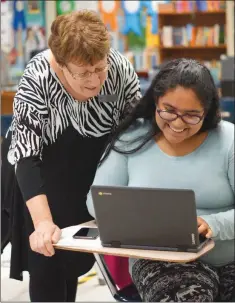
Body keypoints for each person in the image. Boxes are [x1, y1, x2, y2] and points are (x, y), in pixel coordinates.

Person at [1, 10, 141, 302]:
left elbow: (136, 134)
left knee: (73, 262)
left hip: (92, 170)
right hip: (43, 174)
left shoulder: (119, 69)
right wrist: (42, 223)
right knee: (47, 260)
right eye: (83, 73)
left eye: (99, 69)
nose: (94, 81)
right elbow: (26, 156)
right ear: (61, 65)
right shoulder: (38, 75)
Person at [86, 58, 235, 302]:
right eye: (168, 110)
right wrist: (147, 214)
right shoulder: (131, 138)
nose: (177, 123)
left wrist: (213, 224)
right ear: (155, 101)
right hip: (160, 260)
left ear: (207, 112)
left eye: (191, 115)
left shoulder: (228, 140)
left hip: (229, 257)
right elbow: (97, 201)